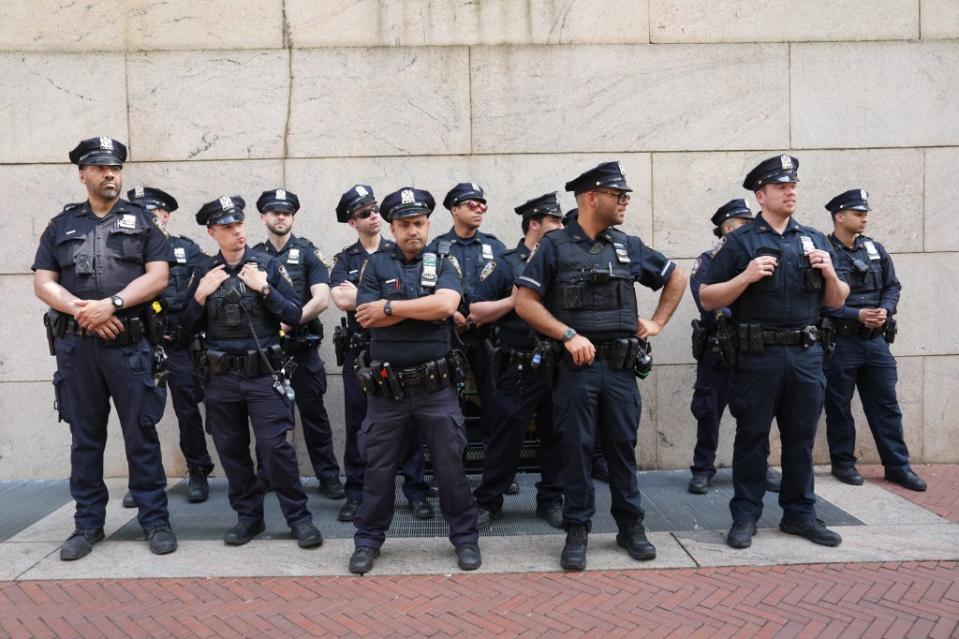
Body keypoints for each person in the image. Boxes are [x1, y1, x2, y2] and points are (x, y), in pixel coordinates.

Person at [515, 162, 687, 571]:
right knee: (575, 449)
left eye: (625, 194)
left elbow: (676, 277)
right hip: (576, 370)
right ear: (592, 198)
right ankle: (577, 530)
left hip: (622, 367)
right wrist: (567, 335)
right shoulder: (555, 246)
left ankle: (631, 527)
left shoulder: (628, 246)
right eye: (617, 194)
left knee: (621, 448)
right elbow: (524, 302)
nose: (625, 199)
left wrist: (657, 322)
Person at [32, 136, 177, 560]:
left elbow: (158, 276)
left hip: (128, 348)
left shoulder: (141, 221)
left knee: (141, 435)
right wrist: (84, 311)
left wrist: (112, 304)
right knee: (85, 438)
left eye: (115, 168)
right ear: (83, 175)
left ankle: (155, 521)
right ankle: (87, 524)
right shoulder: (61, 226)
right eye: (100, 168)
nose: (110, 174)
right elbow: (44, 281)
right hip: (77, 350)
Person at [699, 154, 850, 549]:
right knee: (752, 437)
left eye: (793, 186)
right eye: (782, 187)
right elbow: (707, 297)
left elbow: (836, 302)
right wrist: (746, 276)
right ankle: (745, 516)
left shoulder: (815, 239)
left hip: (805, 355)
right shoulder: (739, 242)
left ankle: (800, 515)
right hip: (757, 356)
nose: (791, 192)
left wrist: (831, 272)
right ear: (760, 195)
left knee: (801, 437)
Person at [348, 187, 480, 575]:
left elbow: (445, 305)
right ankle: (368, 541)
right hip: (386, 392)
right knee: (378, 469)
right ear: (392, 226)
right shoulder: (375, 266)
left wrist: (391, 307)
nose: (413, 231)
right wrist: (420, 309)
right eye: (404, 224)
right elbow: (364, 315)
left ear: (427, 224)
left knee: (451, 466)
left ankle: (466, 539)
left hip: (435, 389)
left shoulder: (445, 261)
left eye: (419, 223)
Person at [179, 195, 323, 549]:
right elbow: (181, 330)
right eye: (227, 228)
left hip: (263, 376)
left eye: (239, 225)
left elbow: (294, 315)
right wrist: (199, 296)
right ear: (213, 232)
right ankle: (249, 518)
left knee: (276, 450)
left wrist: (266, 289)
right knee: (232, 451)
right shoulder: (203, 271)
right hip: (221, 379)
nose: (237, 232)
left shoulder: (267, 265)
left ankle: (299, 519)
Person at [330, 185, 433, 523]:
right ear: (351, 222)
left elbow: (418, 296)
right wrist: (386, 298)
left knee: (411, 425)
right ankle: (356, 492)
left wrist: (368, 296)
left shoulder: (399, 250)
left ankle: (416, 491)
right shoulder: (345, 259)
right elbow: (342, 301)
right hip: (361, 353)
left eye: (374, 209)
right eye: (363, 213)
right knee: (359, 424)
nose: (372, 216)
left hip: (399, 349)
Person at [470, 192, 566, 529]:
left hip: (558, 365)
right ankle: (488, 502)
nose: (561, 226)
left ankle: (551, 500)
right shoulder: (507, 263)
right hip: (519, 365)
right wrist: (515, 302)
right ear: (534, 223)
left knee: (557, 435)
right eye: (554, 220)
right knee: (505, 438)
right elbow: (476, 310)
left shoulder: (564, 260)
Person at [822, 189, 926, 491]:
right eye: (857, 213)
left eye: (865, 213)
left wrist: (885, 309)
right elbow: (820, 299)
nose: (864, 218)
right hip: (841, 342)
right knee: (839, 405)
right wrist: (856, 315)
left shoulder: (875, 249)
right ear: (839, 216)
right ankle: (843, 463)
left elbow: (893, 286)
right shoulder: (824, 252)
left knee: (886, 406)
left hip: (876, 341)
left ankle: (897, 466)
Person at [124, 185, 215, 505]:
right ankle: (144, 481)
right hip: (138, 345)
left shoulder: (187, 251)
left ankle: (198, 470)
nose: (147, 219)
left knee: (187, 410)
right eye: (140, 214)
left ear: (165, 215)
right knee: (138, 415)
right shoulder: (125, 251)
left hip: (178, 346)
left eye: (152, 213)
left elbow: (210, 287)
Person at [252, 188, 345, 500]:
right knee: (268, 421)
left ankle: (329, 476)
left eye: (287, 212)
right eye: (275, 212)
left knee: (315, 417)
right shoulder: (252, 257)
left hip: (302, 350)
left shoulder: (308, 253)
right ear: (263, 217)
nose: (281, 217)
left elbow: (321, 300)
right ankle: (264, 476)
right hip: (268, 355)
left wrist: (287, 322)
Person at [687, 199, 781, 495]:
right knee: (708, 411)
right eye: (744, 225)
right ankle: (703, 469)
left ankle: (759, 467)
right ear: (728, 229)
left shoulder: (762, 260)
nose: (752, 230)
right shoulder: (708, 260)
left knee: (757, 412)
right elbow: (707, 302)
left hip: (752, 348)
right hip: (718, 347)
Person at [426, 183, 507, 474]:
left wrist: (487, 315)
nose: (480, 209)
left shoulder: (495, 247)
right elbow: (426, 291)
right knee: (445, 407)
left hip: (487, 337)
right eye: (472, 204)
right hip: (448, 337)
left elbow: (507, 288)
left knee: (495, 402)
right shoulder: (436, 248)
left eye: (483, 204)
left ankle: (496, 470)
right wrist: (452, 317)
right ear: (454, 209)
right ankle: (448, 470)